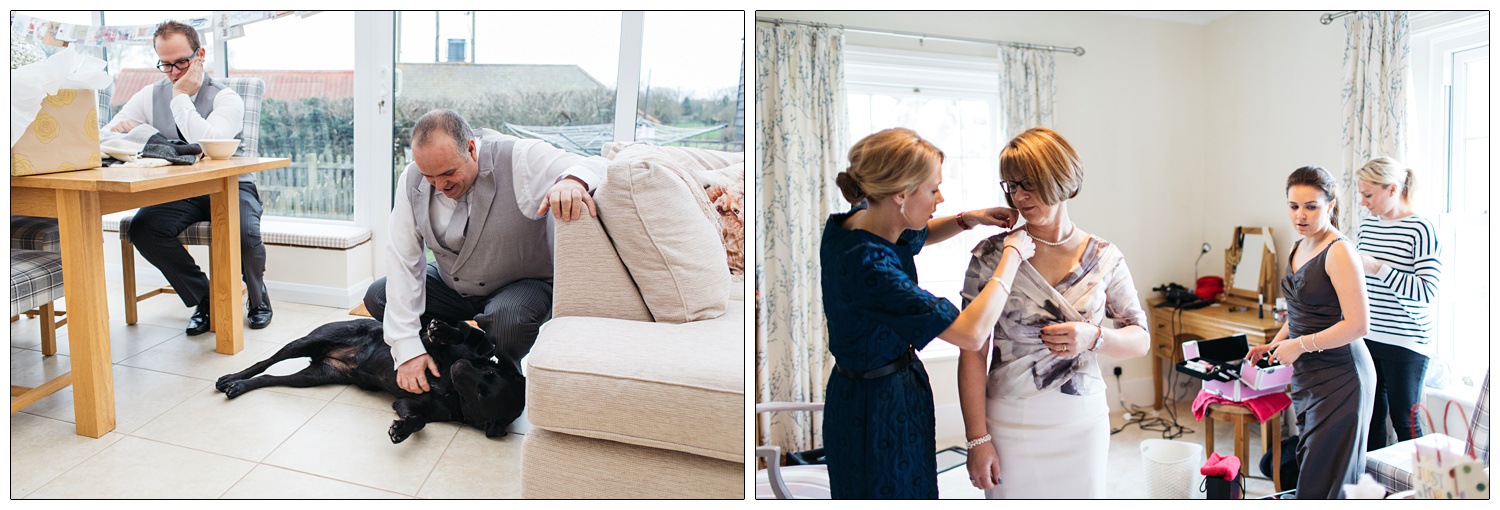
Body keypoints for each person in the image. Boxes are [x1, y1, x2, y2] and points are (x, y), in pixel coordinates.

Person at [821, 127, 1028, 498]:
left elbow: (916, 234)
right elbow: (971, 332)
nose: (940, 197)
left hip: (863, 391)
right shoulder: (870, 266)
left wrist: (970, 218)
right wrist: (1011, 255)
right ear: (900, 195)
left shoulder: (859, 220)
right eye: (933, 189)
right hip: (878, 410)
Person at [957, 127, 1150, 498]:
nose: (1018, 196)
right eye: (1010, 186)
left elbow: (1139, 338)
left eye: (1027, 183)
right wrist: (976, 439)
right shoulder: (992, 256)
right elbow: (972, 351)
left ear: (1059, 178)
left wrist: (1095, 337)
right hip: (1009, 421)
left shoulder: (1104, 256)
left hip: (1082, 424)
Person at [363, 109, 605, 395]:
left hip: (519, 286)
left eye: (448, 173)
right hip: (452, 284)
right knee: (378, 296)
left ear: (471, 149)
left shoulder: (520, 158)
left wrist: (572, 182)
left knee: (508, 322)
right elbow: (404, 262)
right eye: (430, 177)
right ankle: (456, 343)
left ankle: (500, 367)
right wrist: (406, 350)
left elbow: (601, 163)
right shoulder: (411, 180)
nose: (441, 186)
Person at [102, 20, 269, 334]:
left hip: (232, 185)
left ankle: (259, 297)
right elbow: (108, 133)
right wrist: (125, 132)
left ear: (200, 55)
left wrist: (179, 97)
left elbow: (209, 144)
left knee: (244, 234)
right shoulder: (148, 96)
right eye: (166, 65)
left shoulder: (226, 98)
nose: (175, 72)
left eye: (182, 62)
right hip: (182, 191)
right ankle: (206, 298)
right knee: (144, 228)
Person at [1245, 166, 1375, 499]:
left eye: (1311, 206)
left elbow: (1359, 324)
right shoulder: (1299, 246)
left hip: (1343, 377)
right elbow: (1300, 313)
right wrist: (1275, 344)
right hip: (1309, 376)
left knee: (1326, 478)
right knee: (1311, 471)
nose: (1300, 215)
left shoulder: (1340, 251)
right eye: (1293, 206)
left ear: (1330, 205)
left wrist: (1299, 345)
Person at [1353, 157, 1441, 450]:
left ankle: (1418, 492)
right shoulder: (1367, 226)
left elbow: (1427, 291)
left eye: (1368, 195)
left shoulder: (1421, 229)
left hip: (1406, 341)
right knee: (1371, 418)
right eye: (1361, 195)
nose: (1364, 203)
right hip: (1368, 336)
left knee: (1405, 421)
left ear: (1392, 189)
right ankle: (1374, 492)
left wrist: (1380, 267)